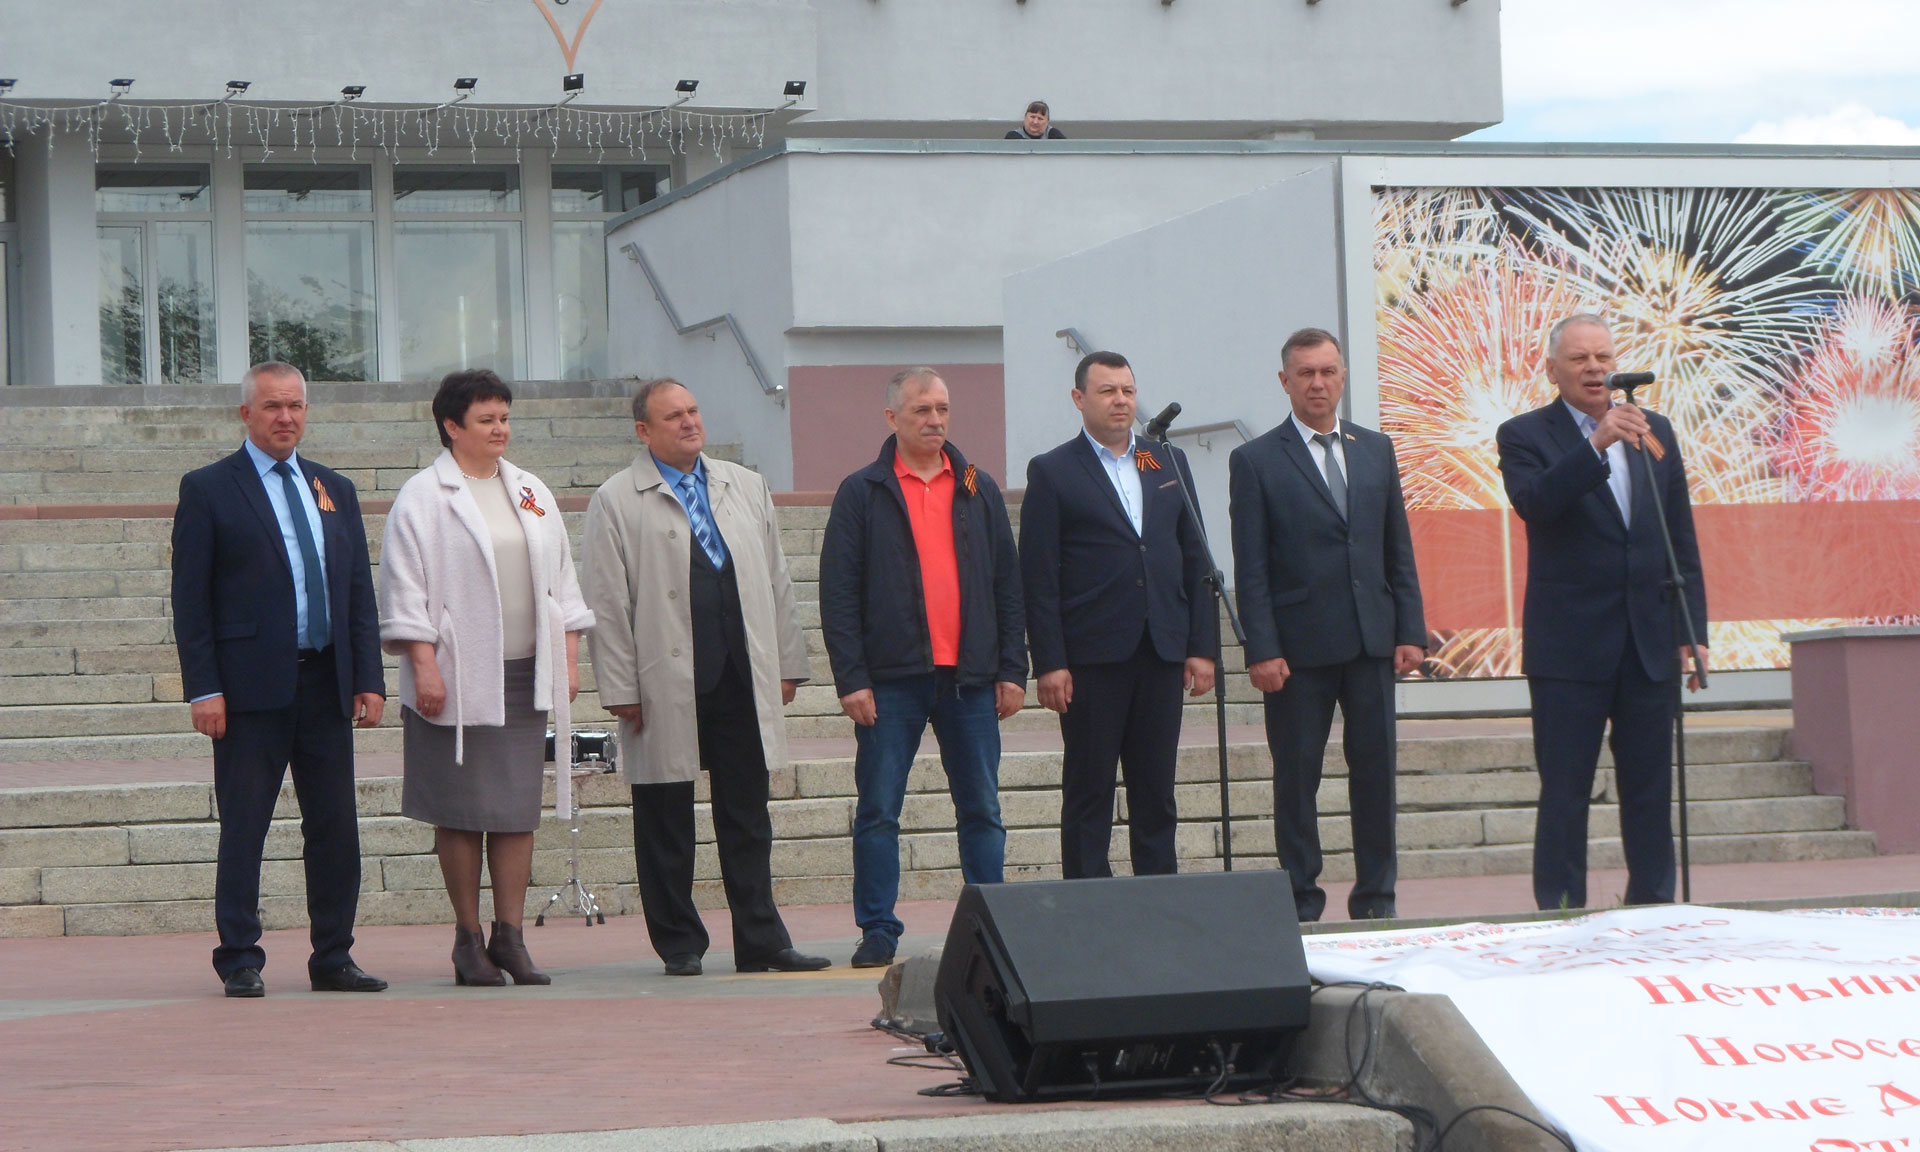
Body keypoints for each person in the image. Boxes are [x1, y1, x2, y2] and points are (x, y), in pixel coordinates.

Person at [581, 378, 830, 976]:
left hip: (740, 671)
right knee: (665, 817)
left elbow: (777, 580)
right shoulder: (616, 499)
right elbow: (606, 603)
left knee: (748, 815)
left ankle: (761, 939)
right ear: (644, 431)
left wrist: (787, 664)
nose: (690, 422)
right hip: (663, 680)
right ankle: (680, 943)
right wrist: (619, 687)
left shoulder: (744, 485)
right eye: (674, 416)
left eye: (693, 411)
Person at [170, 361, 386, 998]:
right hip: (247, 689)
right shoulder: (209, 488)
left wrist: (368, 677)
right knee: (245, 827)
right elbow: (191, 600)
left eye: (295, 406)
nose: (285, 417)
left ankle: (334, 956)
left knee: (335, 828)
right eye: (271, 406)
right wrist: (203, 687)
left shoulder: (333, 488)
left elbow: (357, 590)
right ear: (246, 414)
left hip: (325, 682)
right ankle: (240, 956)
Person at [378, 370, 594, 986]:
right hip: (457, 675)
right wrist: (424, 666)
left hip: (524, 674)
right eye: (486, 420)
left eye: (504, 418)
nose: (500, 429)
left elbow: (562, 581)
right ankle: (468, 938)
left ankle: (511, 936)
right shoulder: (424, 496)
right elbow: (404, 589)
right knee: (461, 810)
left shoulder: (528, 489)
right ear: (452, 426)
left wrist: (568, 659)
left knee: (515, 810)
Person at [1497, 314, 1708, 910]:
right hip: (1570, 647)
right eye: (1579, 359)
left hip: (1649, 640)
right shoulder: (1524, 434)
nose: (1594, 369)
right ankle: (1562, 910)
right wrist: (1596, 443)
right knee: (1565, 790)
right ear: (1552, 370)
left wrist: (1692, 628)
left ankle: (1653, 906)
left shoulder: (1653, 429)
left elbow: (1677, 533)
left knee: (1649, 788)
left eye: (1603, 357)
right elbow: (1535, 503)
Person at [819, 368, 1027, 969]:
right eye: (921, 410)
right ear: (892, 418)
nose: (935, 420)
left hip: (971, 679)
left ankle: (990, 923)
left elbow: (1007, 585)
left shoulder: (977, 487)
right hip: (891, 681)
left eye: (942, 409)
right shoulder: (863, 491)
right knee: (879, 809)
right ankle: (878, 928)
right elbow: (838, 593)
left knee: (982, 808)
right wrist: (852, 678)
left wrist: (1012, 668)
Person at [1228, 328, 1426, 923]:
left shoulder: (1376, 449)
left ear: (1342, 377)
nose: (1318, 383)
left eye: (1328, 371)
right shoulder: (1256, 460)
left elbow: (1397, 547)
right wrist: (1261, 647)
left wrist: (1410, 629)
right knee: (1297, 779)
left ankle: (1377, 900)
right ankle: (1301, 902)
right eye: (1306, 373)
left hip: (1371, 642)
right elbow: (1251, 566)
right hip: (1296, 652)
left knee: (1376, 776)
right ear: (1285, 381)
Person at [1021, 350, 1216, 879]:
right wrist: (1050, 662)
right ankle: (1089, 905)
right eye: (1107, 391)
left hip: (1160, 648)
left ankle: (1159, 901)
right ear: (1079, 398)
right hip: (1092, 657)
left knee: (1157, 790)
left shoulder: (1166, 461)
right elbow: (1038, 577)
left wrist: (1201, 647)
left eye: (1128, 390)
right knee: (1090, 790)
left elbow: (1195, 557)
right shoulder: (1054, 471)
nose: (1121, 401)